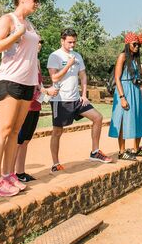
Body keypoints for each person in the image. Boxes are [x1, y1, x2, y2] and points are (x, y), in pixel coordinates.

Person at [0, 0, 40, 197]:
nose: (37, 3)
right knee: (4, 129)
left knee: (16, 132)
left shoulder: (30, 24)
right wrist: (16, 33)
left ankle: (8, 175)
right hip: (9, 80)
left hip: (28, 82)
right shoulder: (8, 20)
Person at [48, 28, 112, 172]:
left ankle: (95, 151)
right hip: (60, 100)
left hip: (77, 99)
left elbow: (83, 76)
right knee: (57, 131)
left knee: (98, 117)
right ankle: (55, 163)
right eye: (69, 42)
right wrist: (69, 65)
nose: (72, 45)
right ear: (62, 41)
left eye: (74, 42)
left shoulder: (77, 56)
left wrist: (84, 95)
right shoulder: (55, 56)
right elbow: (54, 78)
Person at [12, 39, 59, 183]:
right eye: (36, 42)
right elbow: (27, 83)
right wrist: (46, 91)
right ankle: (9, 174)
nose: (39, 45)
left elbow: (38, 85)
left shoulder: (36, 62)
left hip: (35, 105)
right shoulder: (24, 60)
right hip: (24, 105)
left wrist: (46, 92)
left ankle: (20, 172)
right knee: (17, 141)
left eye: (40, 43)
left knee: (26, 140)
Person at [109, 32, 142, 161]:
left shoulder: (135, 59)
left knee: (138, 117)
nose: (137, 46)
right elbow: (117, 78)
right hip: (124, 90)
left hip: (135, 91)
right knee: (123, 119)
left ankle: (136, 149)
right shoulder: (123, 56)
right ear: (128, 44)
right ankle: (122, 151)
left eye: (138, 45)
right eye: (134, 44)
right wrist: (122, 97)